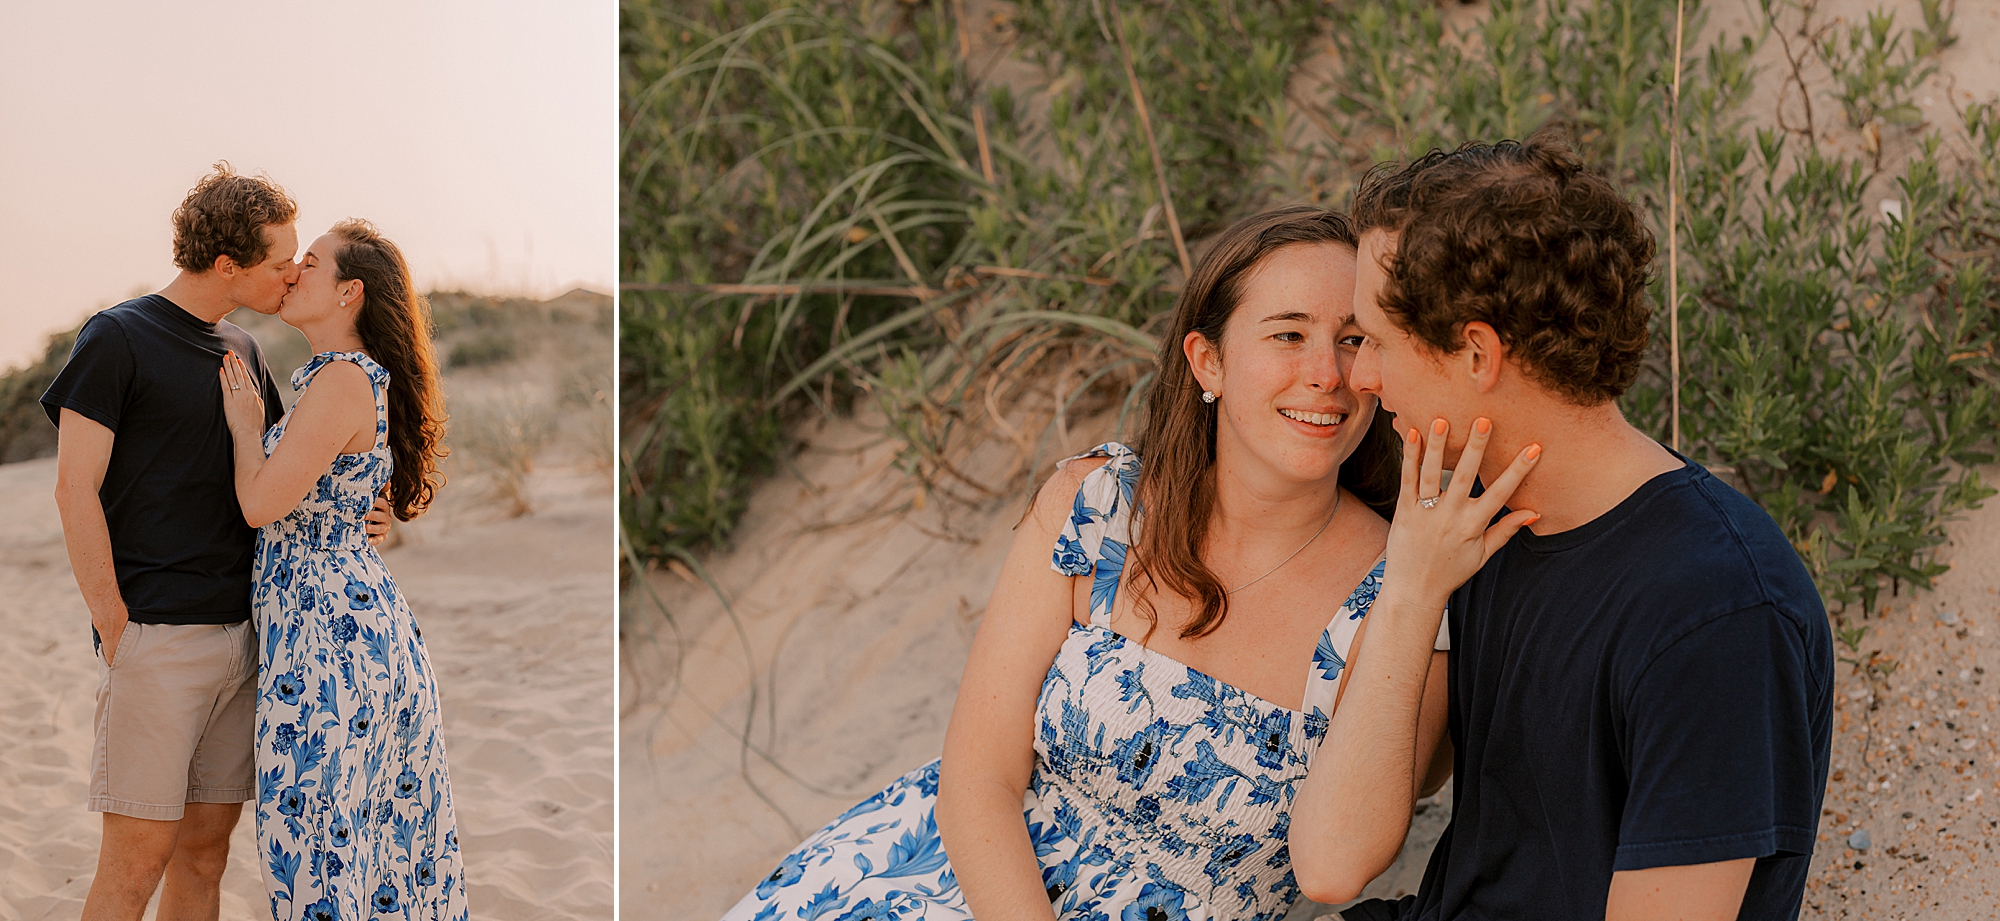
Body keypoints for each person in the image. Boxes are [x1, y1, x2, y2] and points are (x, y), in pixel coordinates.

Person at [718, 207, 1535, 921]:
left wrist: (1413, 589)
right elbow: (977, 777)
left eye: (1354, 340)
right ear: (1208, 361)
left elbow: (1338, 866)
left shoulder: (1408, 588)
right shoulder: (1097, 503)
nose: (1327, 372)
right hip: (928, 881)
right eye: (1288, 334)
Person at [1288, 131, 1833, 920]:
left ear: (1477, 353)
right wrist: (1409, 591)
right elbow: (1333, 862)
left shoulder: (1718, 612)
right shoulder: (1476, 523)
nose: (1359, 378)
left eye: (1372, 340)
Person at [44, 164, 388, 921]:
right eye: (278, 261)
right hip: (158, 639)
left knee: (206, 857)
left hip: (249, 642)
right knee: (134, 866)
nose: (293, 271)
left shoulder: (244, 348)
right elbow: (74, 489)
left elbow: (281, 477)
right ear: (227, 264)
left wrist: (364, 516)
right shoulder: (116, 337)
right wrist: (113, 623)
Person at [218, 219, 467, 921]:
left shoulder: (340, 381)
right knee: (368, 852)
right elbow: (340, 501)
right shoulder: (346, 380)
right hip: (353, 635)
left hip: (330, 652)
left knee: (315, 854)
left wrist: (243, 427)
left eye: (311, 262)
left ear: (348, 291)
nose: (294, 271)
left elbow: (264, 502)